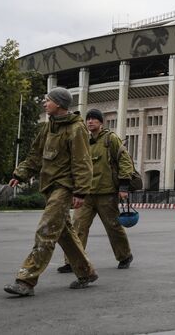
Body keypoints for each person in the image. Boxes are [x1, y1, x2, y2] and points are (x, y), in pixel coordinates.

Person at [3, 87, 98, 296]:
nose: (44, 103)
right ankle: (86, 272)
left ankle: (26, 280)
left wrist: (81, 192)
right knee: (64, 233)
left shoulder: (76, 129)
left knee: (46, 230)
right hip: (49, 186)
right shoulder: (48, 127)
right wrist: (20, 174)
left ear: (60, 104)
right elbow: (35, 155)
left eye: (48, 100)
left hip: (64, 187)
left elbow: (83, 163)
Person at [57, 109, 134, 274]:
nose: (90, 121)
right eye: (88, 119)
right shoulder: (82, 140)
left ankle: (124, 256)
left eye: (94, 119)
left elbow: (124, 160)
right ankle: (73, 261)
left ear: (101, 122)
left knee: (114, 227)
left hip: (106, 193)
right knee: (77, 228)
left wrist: (124, 187)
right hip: (84, 194)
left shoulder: (110, 139)